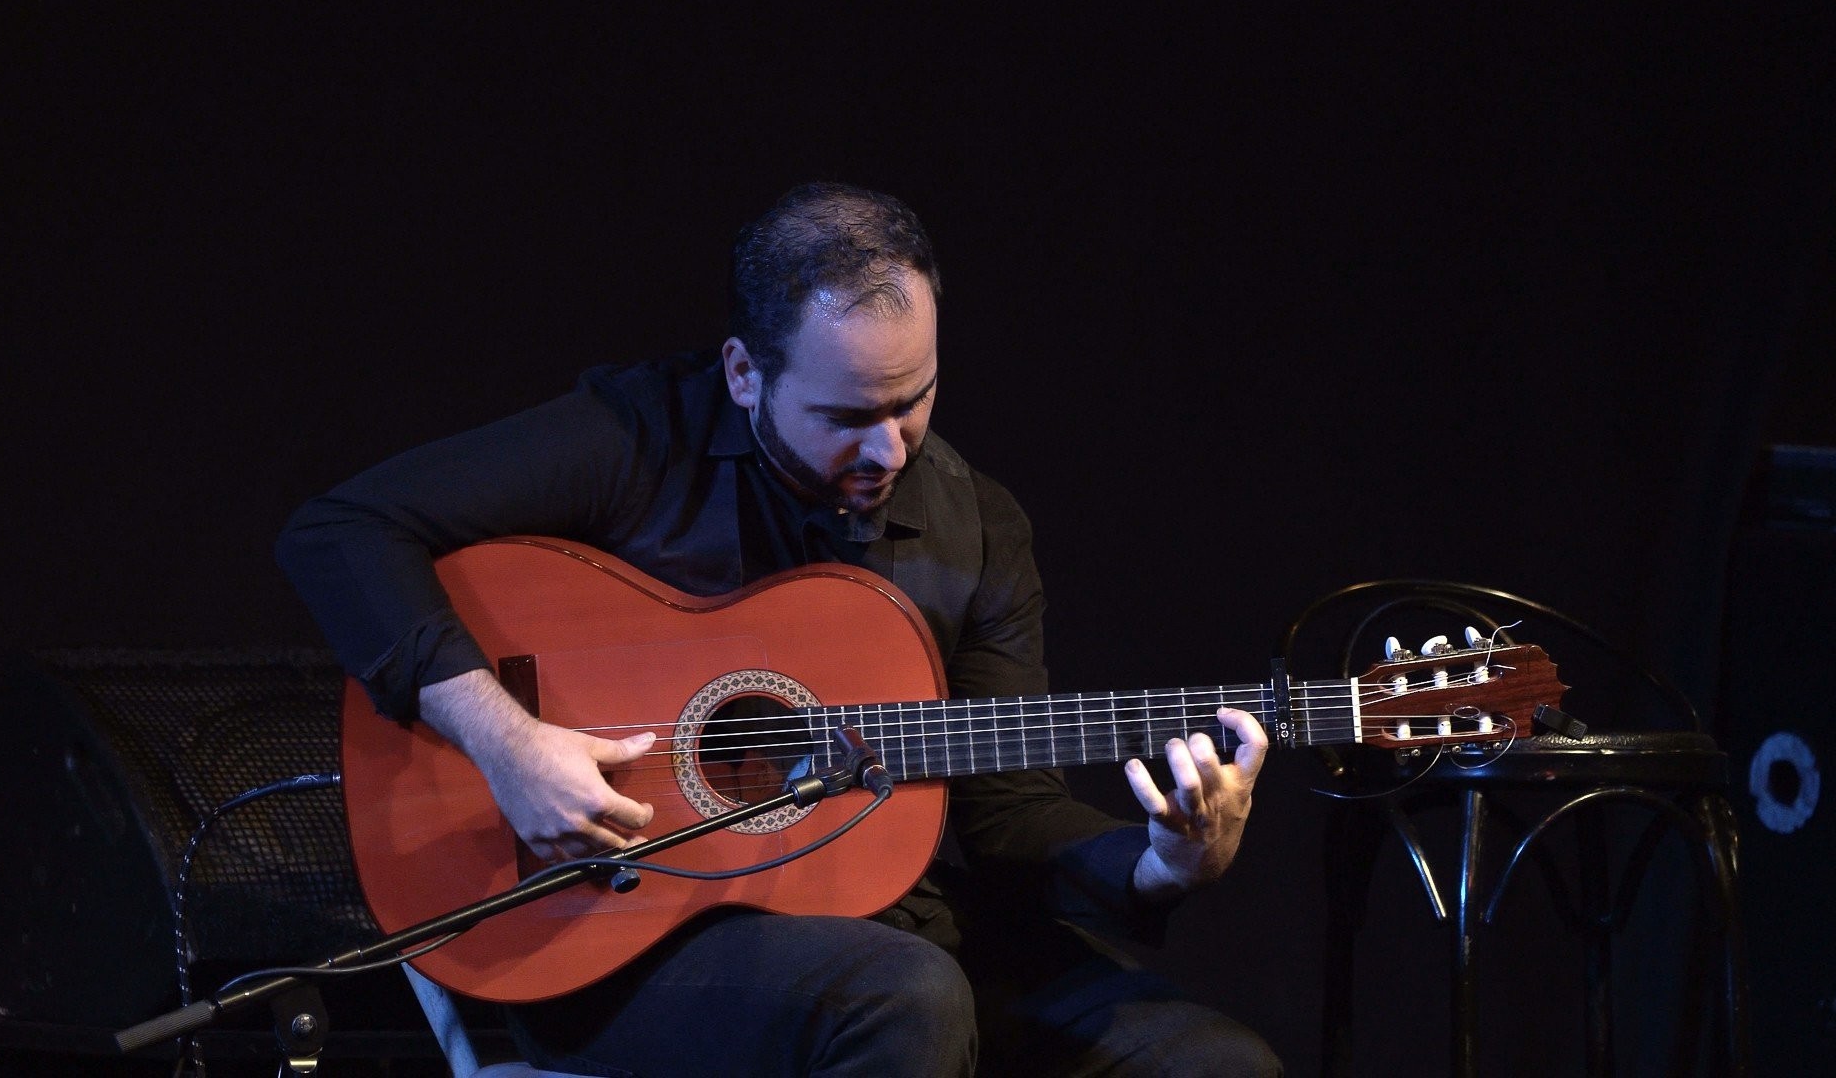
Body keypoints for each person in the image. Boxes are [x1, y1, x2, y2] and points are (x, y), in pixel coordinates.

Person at [277, 182, 1281, 1076]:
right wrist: (509, 744)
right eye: (846, 413)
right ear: (746, 374)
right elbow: (343, 532)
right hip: (624, 939)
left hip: (899, 928)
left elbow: (1008, 814)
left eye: (914, 399)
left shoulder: (976, 521)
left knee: (1212, 1059)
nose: (887, 447)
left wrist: (1161, 867)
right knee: (905, 999)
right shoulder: (639, 439)